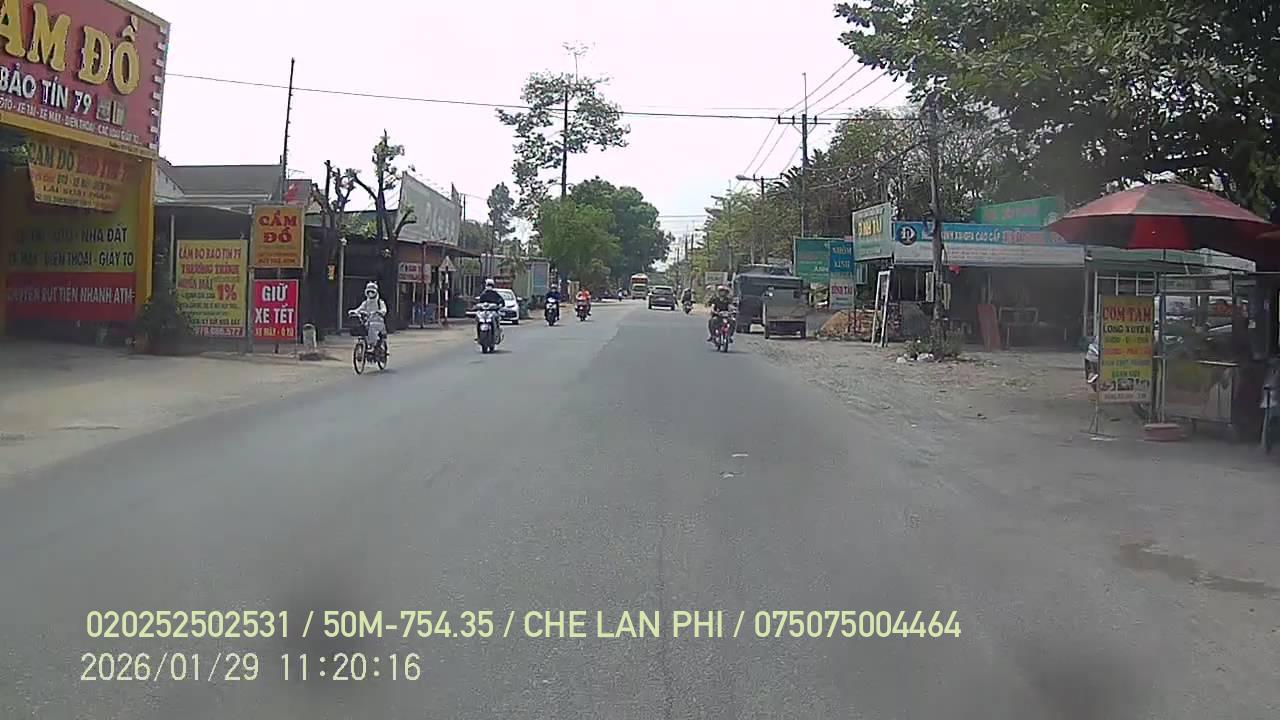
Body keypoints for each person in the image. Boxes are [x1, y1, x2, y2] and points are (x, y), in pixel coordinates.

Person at [351, 281, 388, 347]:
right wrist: (354, 311)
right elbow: (360, 309)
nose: (370, 293)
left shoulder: (380, 302)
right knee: (362, 327)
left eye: (372, 292)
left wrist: (379, 312)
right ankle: (365, 344)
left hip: (378, 323)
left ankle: (372, 344)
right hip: (367, 322)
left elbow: (384, 310)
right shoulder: (366, 302)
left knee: (372, 327)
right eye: (369, 292)